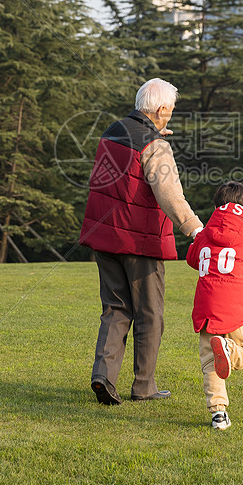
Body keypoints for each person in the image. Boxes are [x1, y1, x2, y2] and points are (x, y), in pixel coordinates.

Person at [79, 79, 203, 405]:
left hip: (104, 237)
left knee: (116, 308)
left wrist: (156, 138)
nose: (170, 118)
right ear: (161, 110)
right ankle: (144, 386)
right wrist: (194, 229)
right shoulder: (155, 145)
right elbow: (169, 195)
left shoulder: (112, 131)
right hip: (139, 242)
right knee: (150, 314)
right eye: (170, 112)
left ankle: (103, 377)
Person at [186, 181, 243, 430]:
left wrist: (199, 238)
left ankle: (218, 413)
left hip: (207, 309)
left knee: (210, 363)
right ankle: (229, 347)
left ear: (217, 206)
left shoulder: (206, 233)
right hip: (237, 310)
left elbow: (192, 259)